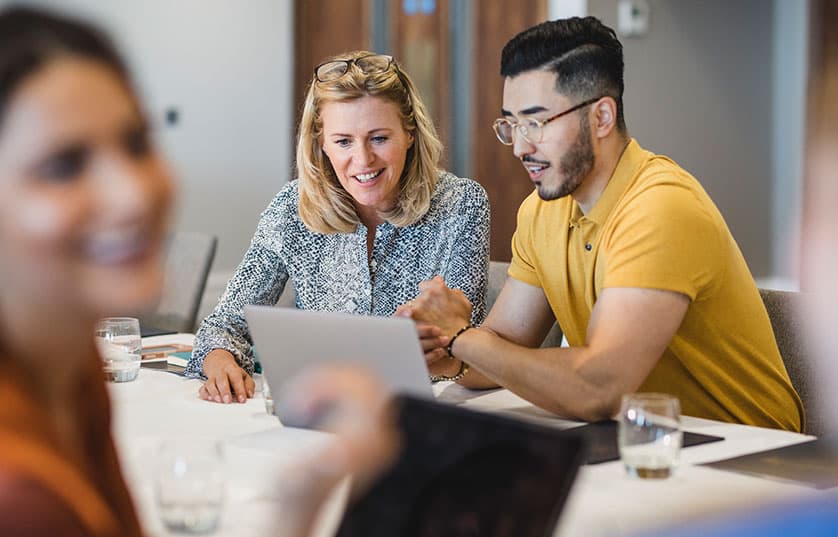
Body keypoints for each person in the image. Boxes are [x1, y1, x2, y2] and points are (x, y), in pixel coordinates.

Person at [0, 6, 396, 537]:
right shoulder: (21, 493)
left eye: (137, 141)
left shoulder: (75, 377)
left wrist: (300, 505)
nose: (132, 194)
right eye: (63, 166)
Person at [403, 16, 803, 431]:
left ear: (601, 117)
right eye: (512, 124)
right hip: (643, 440)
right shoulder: (542, 212)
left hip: (753, 457)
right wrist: (441, 348)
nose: (521, 147)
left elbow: (598, 388)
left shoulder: (659, 207)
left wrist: (463, 338)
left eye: (536, 123)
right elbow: (500, 350)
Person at [188, 50, 490, 404]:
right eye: (343, 141)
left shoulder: (462, 203)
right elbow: (224, 325)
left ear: (410, 133)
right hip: (320, 412)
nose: (362, 160)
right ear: (321, 144)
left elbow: (468, 346)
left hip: (430, 413)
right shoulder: (292, 207)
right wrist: (219, 361)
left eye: (379, 138)